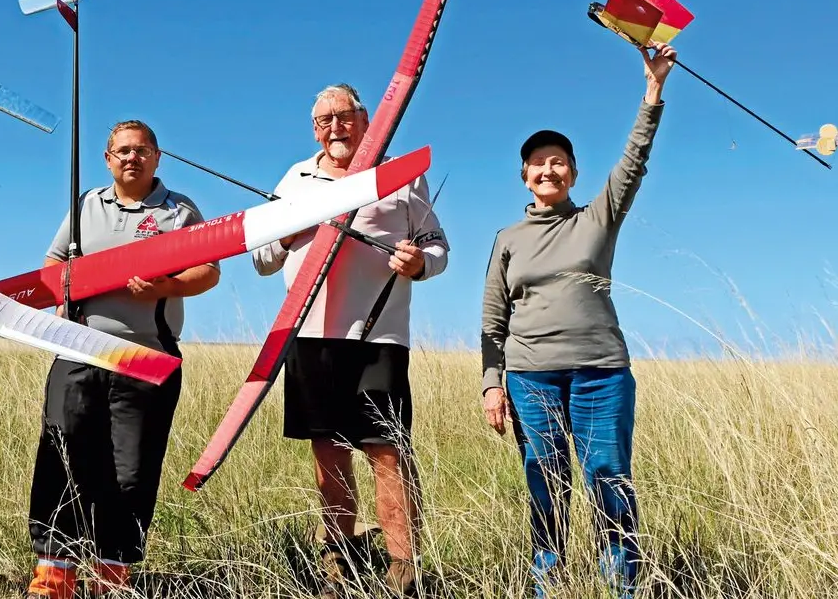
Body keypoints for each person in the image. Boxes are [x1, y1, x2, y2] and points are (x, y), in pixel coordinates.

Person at [479, 41, 677, 598]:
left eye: (558, 159)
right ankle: (548, 585)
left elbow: (634, 159)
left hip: (601, 374)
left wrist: (653, 89)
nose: (548, 167)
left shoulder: (598, 218)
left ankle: (623, 587)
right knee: (546, 484)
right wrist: (493, 387)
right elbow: (493, 321)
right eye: (538, 161)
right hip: (529, 377)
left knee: (607, 480)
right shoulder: (508, 239)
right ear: (524, 176)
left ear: (572, 172)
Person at [251, 84, 450, 597]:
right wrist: (289, 233)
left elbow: (437, 247)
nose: (335, 128)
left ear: (366, 119)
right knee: (328, 451)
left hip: (379, 335)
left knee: (388, 451)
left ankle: (403, 566)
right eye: (324, 121)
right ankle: (337, 560)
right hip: (311, 335)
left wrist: (419, 262)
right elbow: (260, 257)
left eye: (344, 117)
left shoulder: (401, 176)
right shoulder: (296, 178)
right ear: (313, 128)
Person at [24, 120, 220, 599]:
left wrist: (165, 286)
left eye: (142, 150)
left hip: (146, 356)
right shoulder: (86, 204)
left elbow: (208, 269)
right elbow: (53, 265)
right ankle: (54, 576)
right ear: (107, 159)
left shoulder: (180, 211)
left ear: (157, 157)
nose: (132, 158)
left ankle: (112, 575)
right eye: (122, 151)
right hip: (78, 350)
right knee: (63, 456)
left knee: (131, 468)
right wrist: (68, 289)